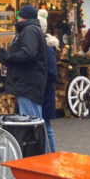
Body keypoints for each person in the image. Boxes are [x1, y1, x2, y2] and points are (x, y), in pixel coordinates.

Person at [0, 5, 47, 119]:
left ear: (23, 17)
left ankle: (36, 138)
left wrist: (9, 57)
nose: (17, 18)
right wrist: (5, 58)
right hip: (28, 83)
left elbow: (28, 53)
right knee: (32, 119)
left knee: (31, 121)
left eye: (19, 16)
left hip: (27, 83)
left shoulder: (30, 30)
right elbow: (26, 54)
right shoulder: (30, 29)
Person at [38, 10, 58, 153]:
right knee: (45, 124)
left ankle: (51, 153)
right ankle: (48, 153)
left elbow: (52, 73)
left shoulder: (47, 47)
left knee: (47, 125)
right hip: (42, 90)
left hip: (45, 91)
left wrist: (40, 82)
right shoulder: (42, 45)